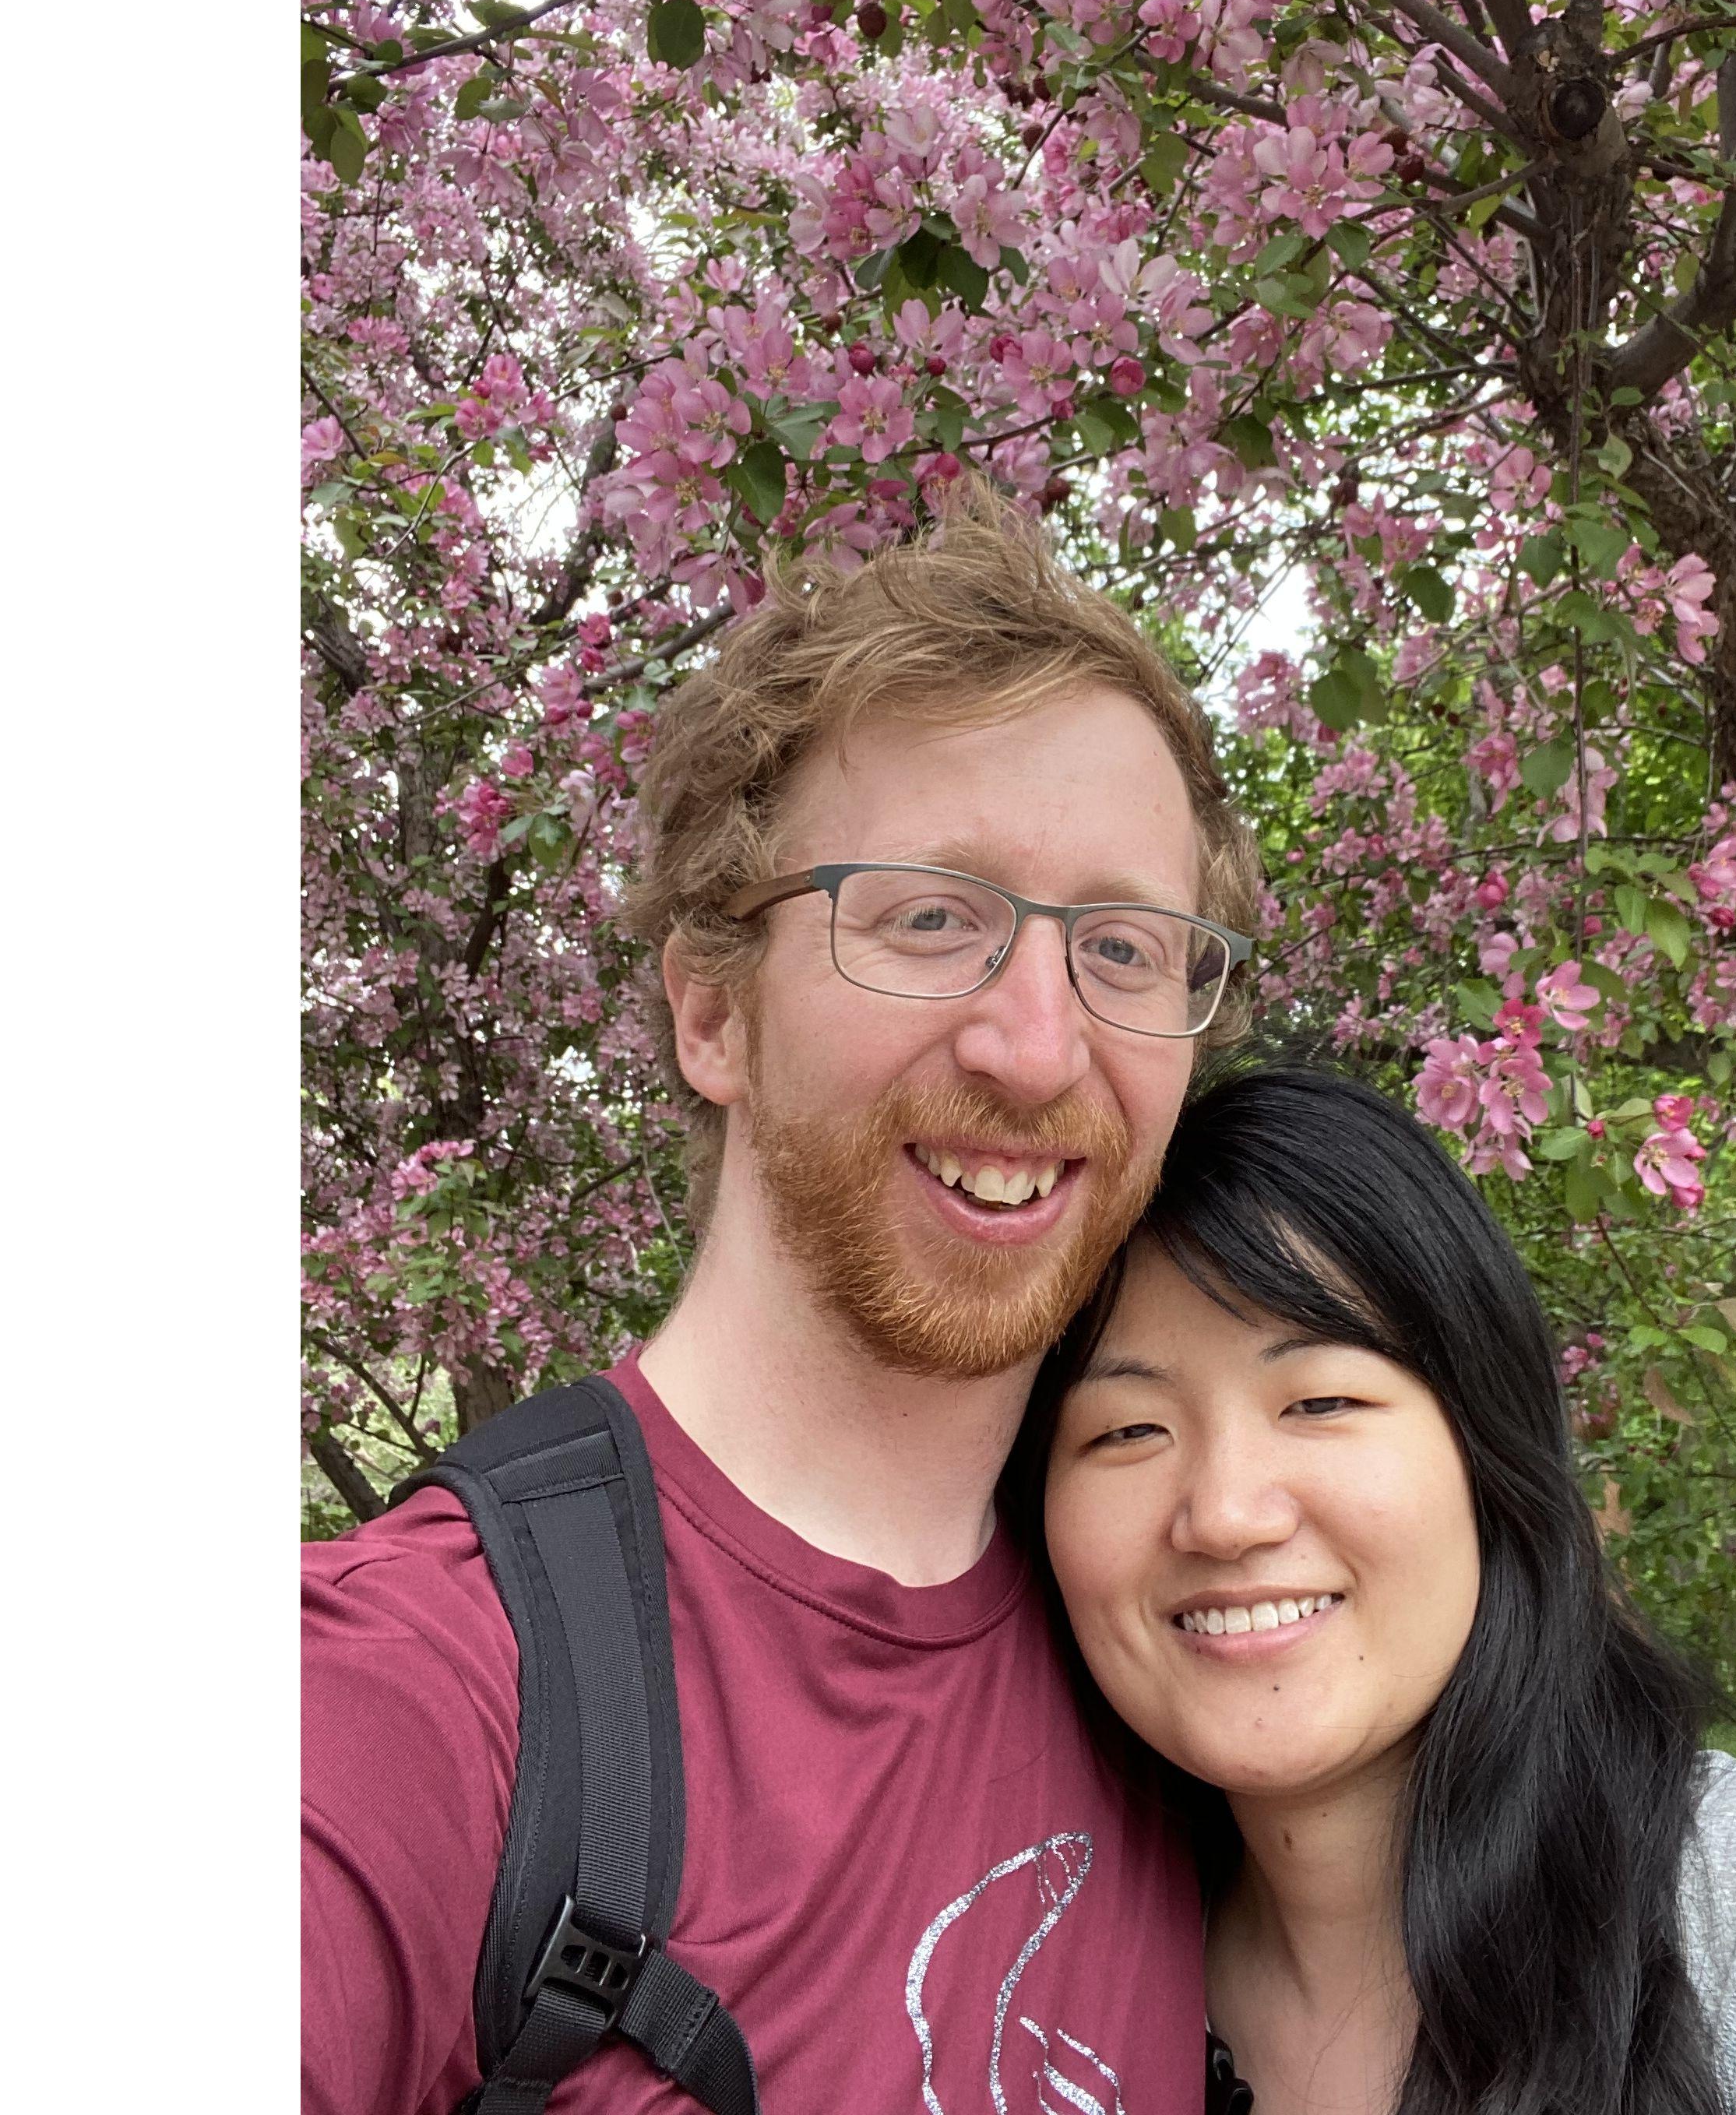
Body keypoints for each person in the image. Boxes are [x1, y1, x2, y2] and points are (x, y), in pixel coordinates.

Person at [302, 491, 1262, 2114]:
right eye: (930, 919)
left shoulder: (1204, 1635)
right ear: (710, 1013)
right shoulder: (428, 1685)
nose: (1034, 1047)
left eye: (1120, 947)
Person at [1028, 1067, 1736, 2115]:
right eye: (1126, 1431)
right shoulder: (1032, 1981)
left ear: (1488, 1455)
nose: (1225, 1513)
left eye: (1322, 1399)